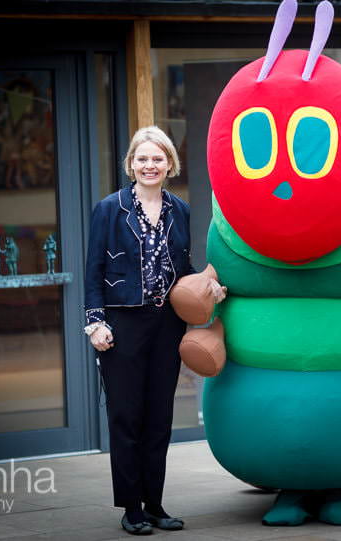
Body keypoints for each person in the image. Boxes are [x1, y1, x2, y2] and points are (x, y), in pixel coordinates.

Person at [84, 126, 225, 535]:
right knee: (126, 415)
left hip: (166, 324)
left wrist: (208, 285)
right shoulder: (109, 209)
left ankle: (156, 503)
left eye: (158, 159)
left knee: (159, 416)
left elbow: (182, 271)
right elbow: (93, 270)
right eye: (143, 159)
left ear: (169, 165)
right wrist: (95, 323)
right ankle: (131, 507)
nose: (150, 165)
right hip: (122, 322)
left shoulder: (179, 210)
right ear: (131, 164)